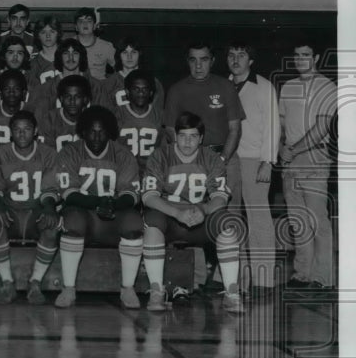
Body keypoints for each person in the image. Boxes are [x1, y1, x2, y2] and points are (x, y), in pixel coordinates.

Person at [141, 112, 244, 313]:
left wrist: (203, 209)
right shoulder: (160, 155)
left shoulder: (211, 158)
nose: (187, 142)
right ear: (175, 136)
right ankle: (156, 290)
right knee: (152, 220)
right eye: (183, 136)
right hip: (170, 219)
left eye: (193, 136)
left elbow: (220, 197)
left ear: (201, 138)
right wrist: (176, 213)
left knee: (227, 223)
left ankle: (231, 293)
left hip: (199, 217)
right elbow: (149, 197)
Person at [51, 105, 143, 309]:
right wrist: (98, 202)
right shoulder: (70, 152)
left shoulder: (122, 154)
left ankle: (127, 288)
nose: (96, 137)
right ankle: (68, 288)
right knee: (71, 220)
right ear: (82, 131)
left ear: (110, 132)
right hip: (83, 212)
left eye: (102, 131)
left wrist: (113, 204)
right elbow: (69, 193)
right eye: (91, 131)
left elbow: (131, 194)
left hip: (113, 213)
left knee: (134, 222)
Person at [0, 110, 60, 304]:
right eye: (17, 130)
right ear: (10, 132)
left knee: (52, 225)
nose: (22, 134)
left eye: (27, 129)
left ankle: (35, 282)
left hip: (36, 210)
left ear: (36, 131)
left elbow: (50, 189)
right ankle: (7, 282)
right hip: (10, 209)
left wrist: (50, 208)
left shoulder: (49, 153)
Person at [278, 40, 337, 290]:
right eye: (297, 55)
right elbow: (281, 125)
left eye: (306, 54)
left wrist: (294, 149)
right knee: (298, 220)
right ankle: (302, 274)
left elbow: (323, 126)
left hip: (314, 157)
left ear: (316, 58)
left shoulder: (327, 86)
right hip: (290, 161)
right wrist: (281, 147)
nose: (301, 59)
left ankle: (323, 279)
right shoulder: (288, 87)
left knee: (317, 220)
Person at [226, 42, 281, 293]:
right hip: (228, 160)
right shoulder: (223, 85)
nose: (236, 59)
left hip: (255, 161)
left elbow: (273, 127)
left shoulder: (264, 87)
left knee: (259, 219)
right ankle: (233, 278)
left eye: (242, 55)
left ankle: (263, 280)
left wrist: (267, 162)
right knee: (230, 218)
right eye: (232, 54)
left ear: (251, 60)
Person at [164, 42, 245, 205]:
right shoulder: (176, 90)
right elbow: (170, 130)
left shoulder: (226, 86)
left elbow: (235, 129)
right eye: (193, 60)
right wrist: (188, 160)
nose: (198, 65)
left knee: (229, 216)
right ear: (187, 61)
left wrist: (222, 160)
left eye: (204, 59)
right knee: (193, 211)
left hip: (225, 157)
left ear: (212, 61)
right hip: (190, 160)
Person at [115, 69, 166, 173]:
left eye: (145, 89)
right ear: (128, 92)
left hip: (151, 171)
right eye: (136, 89)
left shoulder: (160, 115)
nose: (141, 93)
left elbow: (164, 149)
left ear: (151, 92)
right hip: (124, 171)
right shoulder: (116, 114)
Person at [95, 36, 165, 111]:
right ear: (119, 55)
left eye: (133, 52)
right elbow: (104, 114)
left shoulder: (153, 83)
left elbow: (157, 114)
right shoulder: (108, 84)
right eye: (125, 52)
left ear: (140, 54)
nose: (129, 56)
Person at [0, 68, 33, 153]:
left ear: (24, 93)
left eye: (17, 89)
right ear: (0, 93)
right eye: (7, 89)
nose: (12, 93)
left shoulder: (32, 111)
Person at [39, 75, 91, 152]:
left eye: (77, 97)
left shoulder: (93, 120)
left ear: (85, 99)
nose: (72, 101)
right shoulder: (49, 120)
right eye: (68, 97)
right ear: (61, 99)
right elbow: (45, 154)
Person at [73, 8, 115, 82]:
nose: (85, 24)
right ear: (76, 27)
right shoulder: (68, 45)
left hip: (99, 89)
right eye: (81, 21)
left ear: (95, 26)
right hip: (75, 87)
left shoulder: (106, 46)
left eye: (89, 21)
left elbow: (120, 68)